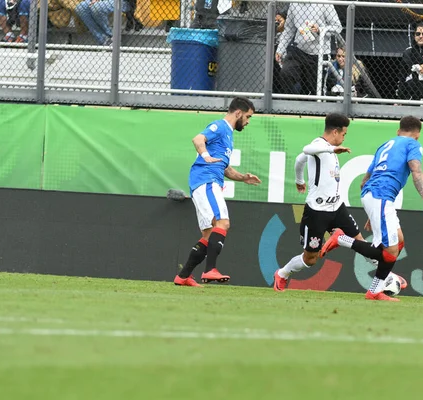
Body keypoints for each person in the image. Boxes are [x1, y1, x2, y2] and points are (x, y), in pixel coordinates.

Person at [272, 113, 407, 292]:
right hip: (317, 211)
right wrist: (300, 178)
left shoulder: (327, 148)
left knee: (361, 243)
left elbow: (299, 161)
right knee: (311, 259)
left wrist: (300, 180)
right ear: (335, 132)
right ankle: (282, 274)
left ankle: (388, 278)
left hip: (337, 208)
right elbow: (305, 151)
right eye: (343, 134)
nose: (344, 137)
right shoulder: (319, 145)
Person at [320, 116, 423, 301]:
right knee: (389, 251)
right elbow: (416, 170)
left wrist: (373, 213)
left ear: (398, 131)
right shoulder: (413, 145)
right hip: (381, 196)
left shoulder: (385, 145)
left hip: (375, 196)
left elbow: (364, 180)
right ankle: (341, 239)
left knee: (398, 242)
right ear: (417, 136)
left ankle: (375, 290)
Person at [174, 97, 262, 287]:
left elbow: (225, 168)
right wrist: (205, 156)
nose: (247, 122)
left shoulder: (228, 136)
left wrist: (243, 178)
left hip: (206, 181)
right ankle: (209, 271)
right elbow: (198, 139)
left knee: (209, 235)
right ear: (238, 113)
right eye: (247, 117)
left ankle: (183, 276)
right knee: (223, 222)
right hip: (206, 181)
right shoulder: (220, 126)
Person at [275, 2, 342, 95]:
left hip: (319, 53)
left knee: (315, 89)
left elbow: (337, 27)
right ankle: (294, 103)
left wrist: (320, 29)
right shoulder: (294, 4)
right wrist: (280, 49)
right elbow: (289, 29)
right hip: (299, 50)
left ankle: (316, 105)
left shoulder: (325, 3)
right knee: (286, 74)